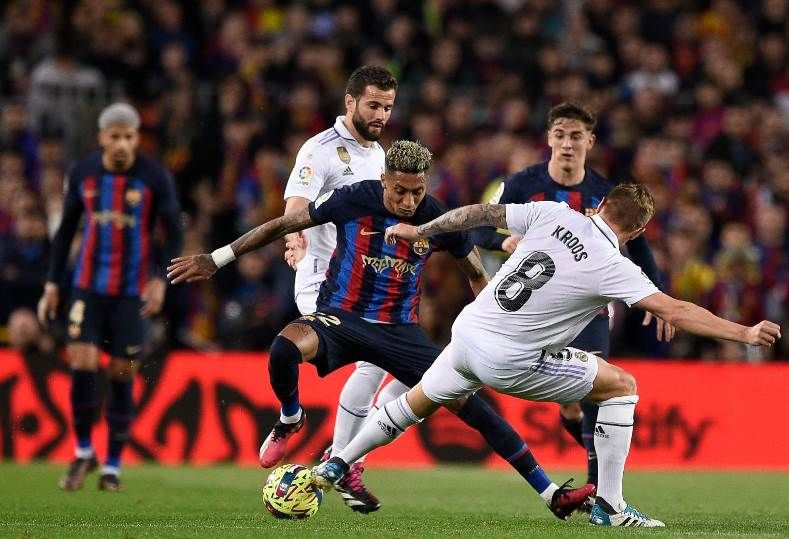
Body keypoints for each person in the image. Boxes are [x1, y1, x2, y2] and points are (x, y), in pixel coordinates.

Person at [168, 140, 596, 520]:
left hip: (399, 332)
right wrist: (216, 258)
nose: (409, 201)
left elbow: (475, 275)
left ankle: (551, 494)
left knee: (476, 410)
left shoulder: (435, 216)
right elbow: (284, 224)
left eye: (417, 191)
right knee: (283, 348)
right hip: (341, 318)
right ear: (384, 180)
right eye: (400, 191)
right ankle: (290, 417)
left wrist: (495, 325)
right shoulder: (353, 198)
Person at [312, 183, 781, 527]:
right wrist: (744, 332)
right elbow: (675, 310)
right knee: (622, 386)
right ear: (638, 230)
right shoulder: (613, 265)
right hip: (509, 359)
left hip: (469, 329)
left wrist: (421, 229)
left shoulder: (554, 213)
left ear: (600, 204)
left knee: (413, 403)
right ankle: (611, 507)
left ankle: (337, 462)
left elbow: (479, 213)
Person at [473, 102, 673, 492]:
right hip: (536, 309)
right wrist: (503, 241)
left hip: (589, 310)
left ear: (590, 141)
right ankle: (580, 434)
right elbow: (478, 229)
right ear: (549, 138)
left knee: (597, 391)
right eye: (561, 135)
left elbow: (639, 247)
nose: (568, 144)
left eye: (576, 136)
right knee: (571, 405)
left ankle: (599, 489)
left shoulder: (605, 193)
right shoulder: (520, 185)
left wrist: (659, 297)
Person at [278, 64, 407, 512]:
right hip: (322, 280)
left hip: (366, 279)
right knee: (374, 361)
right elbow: (296, 204)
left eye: (387, 107)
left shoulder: (380, 155)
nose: (381, 115)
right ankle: (327, 449)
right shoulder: (320, 150)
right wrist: (294, 237)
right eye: (373, 105)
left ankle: (343, 458)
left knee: (411, 373)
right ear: (350, 102)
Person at [38, 103, 183, 492]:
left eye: (128, 137)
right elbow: (65, 232)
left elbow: (174, 232)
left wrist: (161, 280)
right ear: (101, 138)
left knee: (122, 372)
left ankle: (113, 466)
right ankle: (83, 450)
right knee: (81, 361)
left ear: (137, 138)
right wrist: (52, 284)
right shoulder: (82, 172)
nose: (121, 144)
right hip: (86, 286)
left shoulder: (154, 176)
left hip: (132, 292)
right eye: (114, 136)